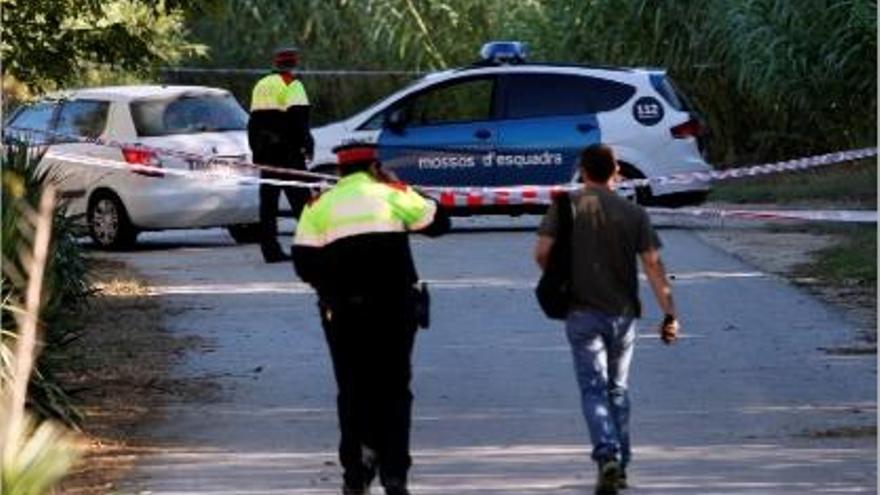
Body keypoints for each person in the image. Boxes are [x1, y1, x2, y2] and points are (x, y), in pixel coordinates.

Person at [292, 142, 449, 495]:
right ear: (375, 166)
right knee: (394, 389)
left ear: (340, 171)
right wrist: (400, 185)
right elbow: (439, 221)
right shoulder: (391, 195)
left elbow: (302, 262)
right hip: (394, 310)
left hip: (344, 312)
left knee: (352, 391)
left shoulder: (320, 205)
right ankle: (394, 473)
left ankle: (355, 474)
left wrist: (332, 287)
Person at [534, 144, 680, 495]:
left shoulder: (565, 206)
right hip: (622, 316)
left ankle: (607, 454)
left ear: (582, 170)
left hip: (580, 312)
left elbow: (541, 253)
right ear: (616, 171)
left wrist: (560, 277)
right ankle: (621, 464)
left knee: (593, 388)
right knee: (617, 388)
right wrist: (670, 313)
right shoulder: (634, 214)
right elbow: (653, 265)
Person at [248, 46, 315, 262]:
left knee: (268, 204)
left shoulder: (261, 85)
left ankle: (270, 249)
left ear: (276, 64)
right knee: (302, 201)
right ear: (294, 64)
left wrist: (256, 151)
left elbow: (253, 122)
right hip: (288, 153)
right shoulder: (293, 85)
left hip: (266, 153)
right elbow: (299, 120)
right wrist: (307, 145)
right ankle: (312, 247)